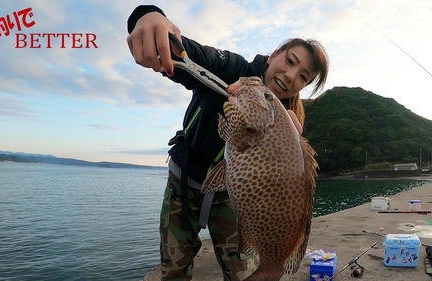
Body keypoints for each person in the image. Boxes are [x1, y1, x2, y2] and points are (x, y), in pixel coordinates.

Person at [126, 5, 329, 281]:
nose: (292, 76)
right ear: (273, 56)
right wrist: (149, 16)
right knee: (173, 270)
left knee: (241, 274)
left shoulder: (289, 125)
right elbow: (190, 58)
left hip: (234, 198)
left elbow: (289, 184)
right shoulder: (232, 68)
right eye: (291, 61)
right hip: (183, 181)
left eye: (303, 76)